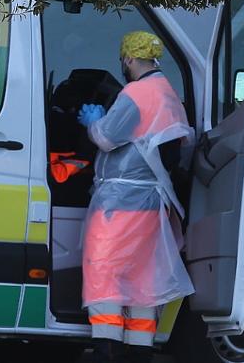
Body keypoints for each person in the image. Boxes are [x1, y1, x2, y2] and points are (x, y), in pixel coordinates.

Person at [75, 31, 195, 362]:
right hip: (152, 204)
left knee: (104, 273)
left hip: (119, 201)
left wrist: (93, 122)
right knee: (143, 278)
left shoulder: (136, 93)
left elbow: (106, 138)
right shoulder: (168, 93)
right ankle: (140, 350)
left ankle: (106, 347)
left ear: (128, 59)